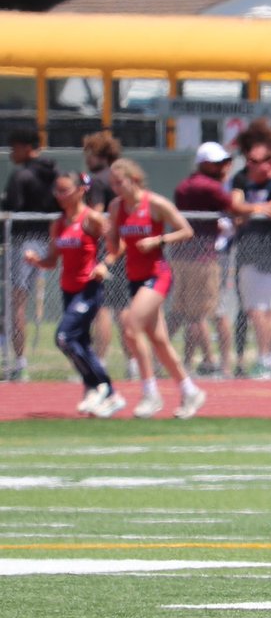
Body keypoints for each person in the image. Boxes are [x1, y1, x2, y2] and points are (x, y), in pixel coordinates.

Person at [102, 158, 207, 419]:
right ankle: (190, 389)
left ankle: (150, 393)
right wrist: (108, 240)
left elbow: (186, 230)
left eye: (120, 182)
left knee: (130, 327)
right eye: (112, 183)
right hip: (134, 278)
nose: (116, 188)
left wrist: (158, 240)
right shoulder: (117, 207)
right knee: (159, 340)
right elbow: (116, 246)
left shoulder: (155, 203)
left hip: (157, 275)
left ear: (134, 179)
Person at [23, 172, 125, 417]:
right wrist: (37, 261)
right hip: (67, 290)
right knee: (80, 342)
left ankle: (106, 389)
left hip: (88, 289)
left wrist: (104, 264)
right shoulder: (59, 223)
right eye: (56, 191)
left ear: (80, 191)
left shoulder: (91, 219)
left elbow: (118, 246)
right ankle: (99, 390)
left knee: (64, 337)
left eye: (65, 190)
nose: (59, 196)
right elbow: (51, 260)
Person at [232, 135, 271, 378]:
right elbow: (235, 207)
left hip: (270, 251)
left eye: (261, 160)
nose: (256, 165)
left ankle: (266, 359)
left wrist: (254, 209)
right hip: (248, 252)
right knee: (258, 309)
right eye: (251, 160)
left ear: (270, 161)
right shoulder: (246, 184)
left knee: (262, 309)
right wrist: (259, 209)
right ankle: (268, 359)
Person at [173, 142, 237, 377]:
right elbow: (235, 207)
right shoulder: (209, 187)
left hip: (184, 257)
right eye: (218, 163)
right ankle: (219, 364)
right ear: (206, 164)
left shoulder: (184, 186)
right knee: (206, 313)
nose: (223, 167)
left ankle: (192, 362)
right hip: (205, 257)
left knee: (188, 312)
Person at [2, 128, 58, 380]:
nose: (11, 152)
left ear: (27, 147)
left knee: (17, 304)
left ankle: (19, 363)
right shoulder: (54, 174)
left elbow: (11, 208)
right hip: (49, 242)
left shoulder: (21, 176)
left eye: (14, 147)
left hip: (23, 242)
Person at [81, 130, 130, 375]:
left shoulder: (98, 181)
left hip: (105, 249)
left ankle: (99, 361)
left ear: (100, 154)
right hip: (126, 246)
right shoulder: (121, 180)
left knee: (103, 308)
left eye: (90, 153)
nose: (87, 159)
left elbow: (95, 214)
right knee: (124, 307)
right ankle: (133, 364)